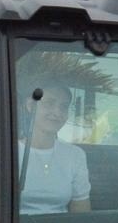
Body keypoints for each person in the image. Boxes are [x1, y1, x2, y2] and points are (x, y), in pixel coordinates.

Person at [17, 83, 91, 215]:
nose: (57, 112)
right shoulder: (10, 152)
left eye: (63, 107)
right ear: (30, 105)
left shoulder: (75, 155)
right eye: (49, 103)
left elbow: (81, 211)